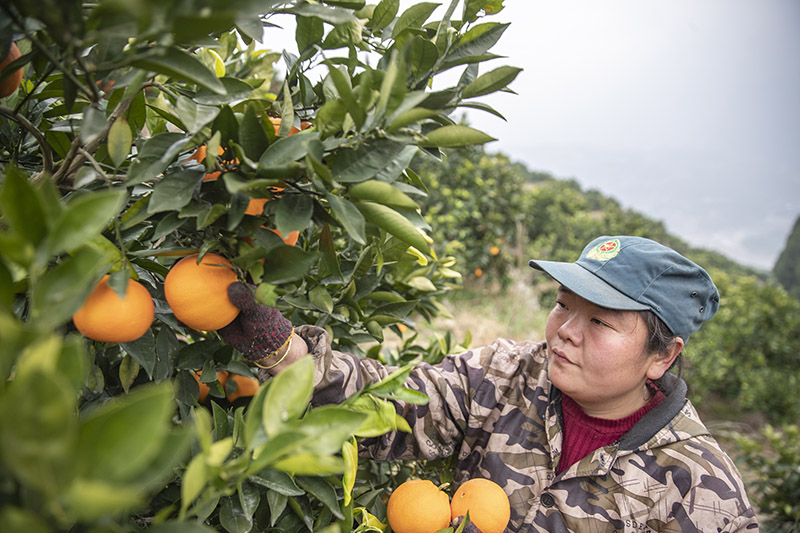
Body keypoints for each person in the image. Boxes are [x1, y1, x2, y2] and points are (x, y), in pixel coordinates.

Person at [219, 235, 759, 532]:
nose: (565, 332)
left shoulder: (700, 489)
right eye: (562, 306)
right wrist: (285, 354)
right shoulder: (505, 376)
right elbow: (384, 409)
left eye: (599, 322)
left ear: (662, 356)